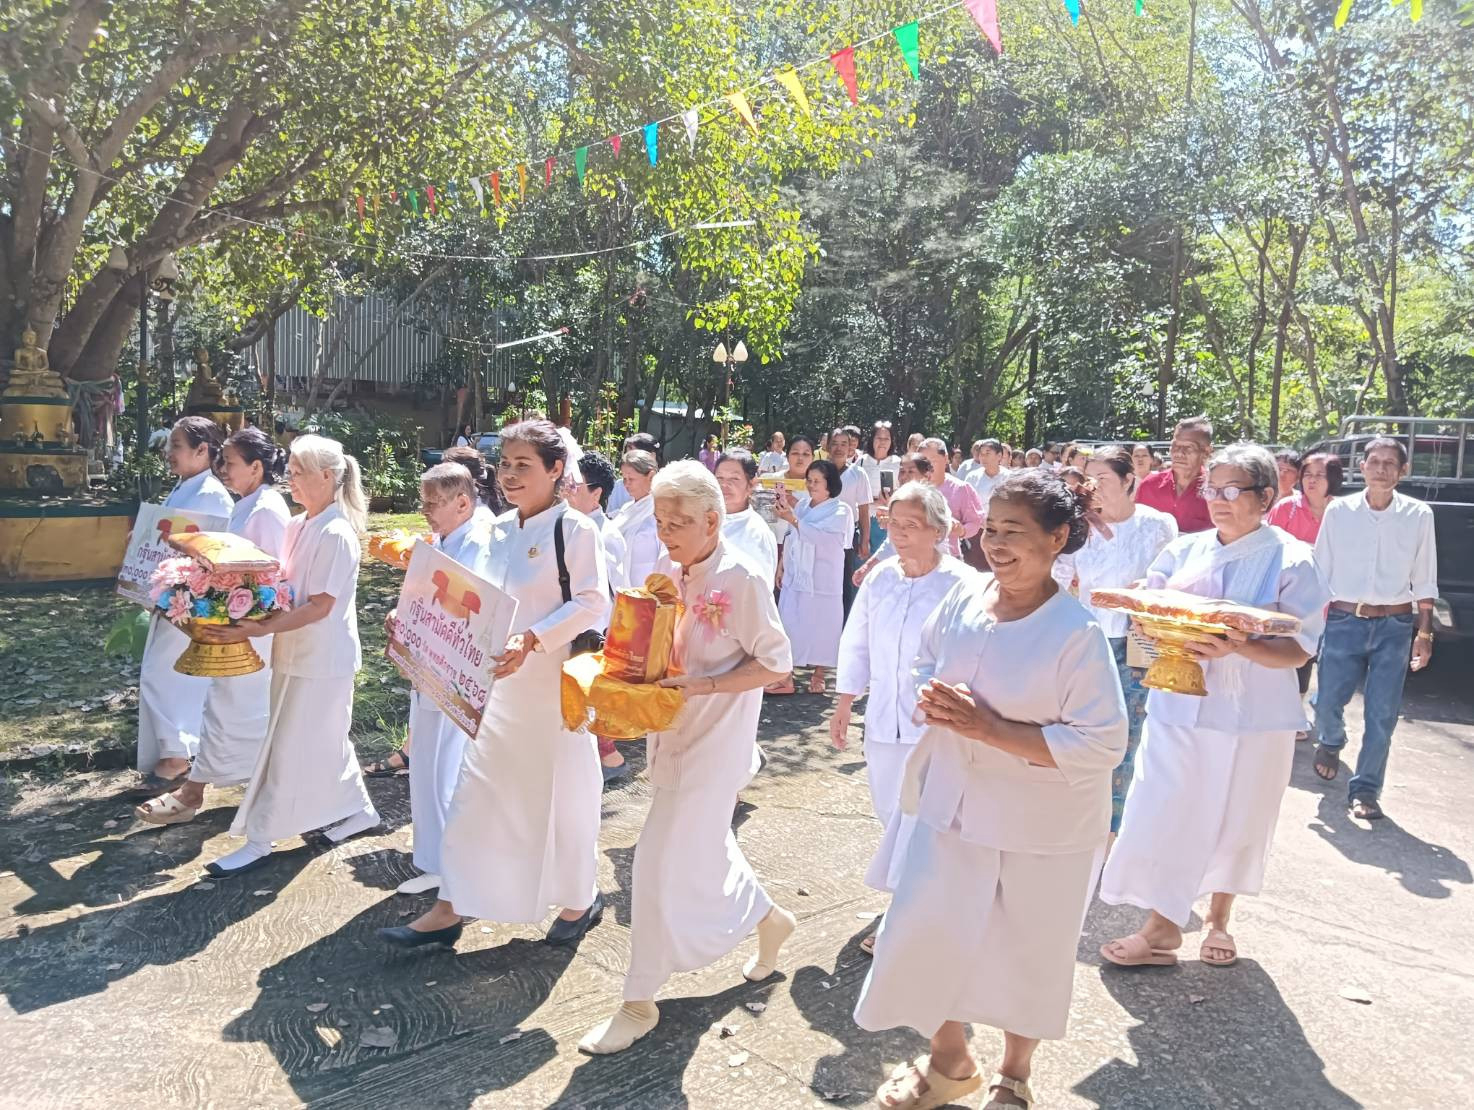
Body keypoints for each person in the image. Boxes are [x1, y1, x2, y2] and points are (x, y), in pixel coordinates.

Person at [855, 470, 1126, 1110]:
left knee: (1028, 953)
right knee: (921, 935)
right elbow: (926, 658)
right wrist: (931, 695)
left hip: (1042, 828)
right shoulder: (966, 599)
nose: (997, 546)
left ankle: (1014, 1075)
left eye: (1017, 534)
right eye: (992, 531)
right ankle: (950, 1061)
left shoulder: (1077, 635)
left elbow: (1101, 744)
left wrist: (991, 728)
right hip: (952, 806)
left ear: (1058, 539)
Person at [578, 463, 797, 1055]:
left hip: (717, 741)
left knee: (654, 861)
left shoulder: (742, 577)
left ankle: (638, 1000)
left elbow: (777, 663)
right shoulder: (669, 574)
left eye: (679, 522)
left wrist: (704, 687)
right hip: (669, 734)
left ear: (712, 519)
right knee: (704, 851)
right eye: (659, 520)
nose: (667, 531)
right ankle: (769, 917)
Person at [381, 420, 610, 950]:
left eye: (523, 464)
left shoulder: (574, 530)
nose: (509, 474)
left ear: (557, 470)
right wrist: (412, 618)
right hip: (494, 692)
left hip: (551, 694)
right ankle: (450, 906)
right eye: (504, 463)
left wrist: (532, 638)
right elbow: (468, 598)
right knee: (475, 797)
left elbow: (594, 604)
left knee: (564, 799)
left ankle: (579, 898)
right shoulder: (497, 530)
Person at [1100, 444, 1329, 968]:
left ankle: (1219, 918)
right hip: (1177, 705)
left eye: (1233, 491)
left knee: (1238, 816)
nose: (1219, 501)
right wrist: (1144, 610)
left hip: (1252, 717)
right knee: (1166, 809)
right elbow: (1148, 606)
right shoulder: (1186, 550)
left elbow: (1301, 646)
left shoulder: (1291, 558)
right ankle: (1161, 927)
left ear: (1266, 496)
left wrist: (1241, 645)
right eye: (1213, 489)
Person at [197, 434, 381, 876]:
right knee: (322, 743)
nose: (290, 480)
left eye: (298, 473)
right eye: (291, 472)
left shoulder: (337, 533)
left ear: (326, 477)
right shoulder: (300, 524)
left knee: (290, 747)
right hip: (292, 651)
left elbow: (319, 606)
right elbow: (280, 587)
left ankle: (260, 838)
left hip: (323, 660)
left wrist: (259, 626)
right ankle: (360, 811)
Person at [832, 482, 972, 952]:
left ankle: (906, 913)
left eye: (912, 525)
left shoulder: (962, 585)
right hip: (883, 721)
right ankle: (921, 901)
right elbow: (857, 641)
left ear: (938, 530)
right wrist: (845, 700)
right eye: (893, 523)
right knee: (890, 812)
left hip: (934, 726)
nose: (899, 534)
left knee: (921, 818)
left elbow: (972, 654)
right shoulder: (881, 578)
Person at [134, 427, 290, 825]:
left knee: (233, 710)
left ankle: (194, 792)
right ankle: (241, 786)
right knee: (224, 709)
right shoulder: (246, 503)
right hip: (229, 626)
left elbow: (271, 575)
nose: (224, 471)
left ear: (256, 467)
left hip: (251, 630)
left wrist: (230, 610)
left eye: (231, 463)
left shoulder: (267, 508)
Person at [1311, 437, 1437, 821]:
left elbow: (1425, 577)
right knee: (1328, 702)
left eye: (1390, 463)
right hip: (1344, 620)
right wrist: (1308, 625)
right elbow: (1320, 570)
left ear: (1403, 470)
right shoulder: (1339, 512)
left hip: (1394, 625)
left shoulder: (1419, 515)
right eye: (1375, 461)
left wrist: (1425, 632)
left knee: (1382, 713)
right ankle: (1331, 740)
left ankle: (1365, 788)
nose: (1381, 469)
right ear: (1361, 467)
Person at [391, 463, 496, 894]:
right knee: (428, 769)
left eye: (433, 503)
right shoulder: (447, 538)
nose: (425, 510)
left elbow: (471, 605)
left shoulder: (480, 543)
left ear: (463, 502)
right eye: (424, 501)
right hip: (429, 664)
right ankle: (436, 858)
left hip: (455, 670)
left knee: (445, 770)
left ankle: (452, 865)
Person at [1073, 446, 1178, 837]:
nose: (1093, 488)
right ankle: (1080, 817)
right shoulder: (1079, 527)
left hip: (1138, 644)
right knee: (1083, 727)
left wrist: (1148, 588)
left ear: (1129, 480)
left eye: (1103, 480)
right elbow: (1061, 578)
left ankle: (1116, 828)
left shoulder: (1157, 526)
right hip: (1088, 642)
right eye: (1089, 479)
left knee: (1130, 735)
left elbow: (1172, 579)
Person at [129, 416, 236, 797]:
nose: (168, 453)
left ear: (202, 451)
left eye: (176, 445)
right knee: (165, 674)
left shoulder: (210, 494)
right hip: (171, 596)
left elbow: (214, 550)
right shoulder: (187, 487)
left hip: (188, 599)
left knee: (163, 674)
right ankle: (177, 752)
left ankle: (177, 755)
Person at [1266, 451, 1343, 738]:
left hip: (1336, 603)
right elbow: (1271, 550)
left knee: (1316, 660)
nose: (1311, 481)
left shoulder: (1342, 511)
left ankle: (1306, 717)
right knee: (1290, 652)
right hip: (1291, 599)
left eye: (1319, 475)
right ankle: (1283, 713)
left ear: (1332, 479)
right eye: (1307, 474)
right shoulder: (1286, 509)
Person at [567, 449, 633, 784]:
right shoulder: (570, 526)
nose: (567, 491)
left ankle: (608, 760)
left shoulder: (605, 535)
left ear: (597, 494)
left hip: (592, 632)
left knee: (585, 700)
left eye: (575, 486)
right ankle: (603, 759)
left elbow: (616, 591)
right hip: (570, 629)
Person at [769, 459, 851, 696]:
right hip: (797, 575)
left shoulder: (840, 510)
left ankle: (820, 673)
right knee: (789, 621)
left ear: (830, 485)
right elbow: (791, 535)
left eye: (817, 481)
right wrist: (782, 564)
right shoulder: (804, 505)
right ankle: (786, 676)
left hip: (824, 578)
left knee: (824, 625)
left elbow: (826, 540)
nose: (811, 485)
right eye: (809, 480)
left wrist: (793, 520)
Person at [1134, 416, 1213, 533]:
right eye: (1175, 446)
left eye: (1189, 447)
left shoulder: (1215, 491)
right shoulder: (1149, 486)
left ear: (1206, 452)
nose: (1179, 453)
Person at [715, 448, 778, 587]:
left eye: (734, 478)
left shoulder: (758, 533)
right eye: (720, 478)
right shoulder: (702, 522)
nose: (725, 485)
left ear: (751, 484)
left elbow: (762, 589)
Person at [829, 426, 873, 615]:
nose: (839, 448)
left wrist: (864, 540)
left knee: (845, 582)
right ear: (827, 446)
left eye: (844, 444)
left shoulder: (858, 474)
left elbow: (863, 510)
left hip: (847, 537)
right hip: (820, 533)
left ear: (850, 448)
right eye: (835, 444)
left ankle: (844, 624)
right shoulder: (818, 471)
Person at [920, 437, 983, 558]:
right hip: (916, 557)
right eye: (923, 462)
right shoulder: (912, 488)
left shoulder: (960, 488)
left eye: (932, 461)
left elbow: (975, 521)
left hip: (950, 557)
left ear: (946, 458)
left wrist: (962, 530)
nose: (927, 466)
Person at [614, 448, 662, 589]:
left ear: (651, 476)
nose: (626, 484)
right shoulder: (626, 509)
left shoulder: (660, 511)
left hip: (649, 591)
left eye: (632, 479)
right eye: (624, 479)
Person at [606, 432, 659, 514]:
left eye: (634, 457)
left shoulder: (663, 493)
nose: (627, 484)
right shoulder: (619, 487)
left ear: (652, 456)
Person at [964, 438, 1011, 506]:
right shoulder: (972, 477)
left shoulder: (1009, 477)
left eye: (987, 453)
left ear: (999, 456)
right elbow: (966, 502)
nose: (983, 457)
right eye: (981, 454)